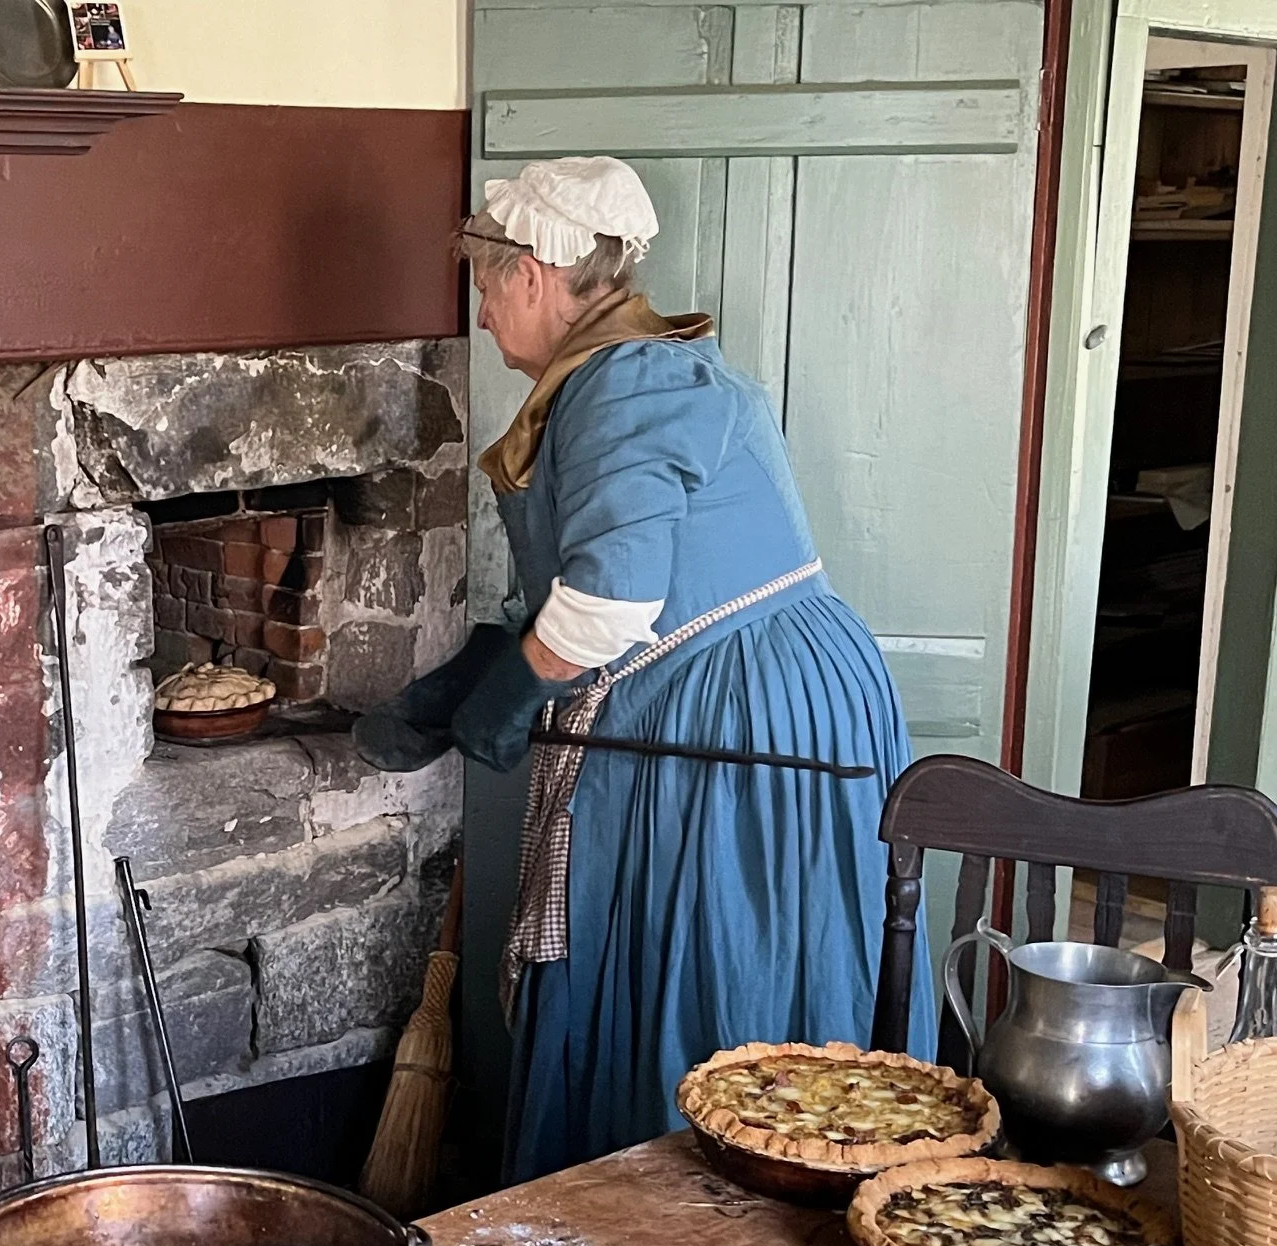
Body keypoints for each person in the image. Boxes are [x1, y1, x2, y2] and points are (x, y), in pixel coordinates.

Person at [355, 157, 935, 1181]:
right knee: (742, 950)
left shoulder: (628, 384)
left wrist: (514, 692)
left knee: (715, 954)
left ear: (533, 273)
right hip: (753, 692)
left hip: (736, 710)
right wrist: (477, 672)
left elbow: (616, 600)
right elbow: (593, 581)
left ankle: (699, 1197)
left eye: (488, 286)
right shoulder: (638, 370)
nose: (484, 315)